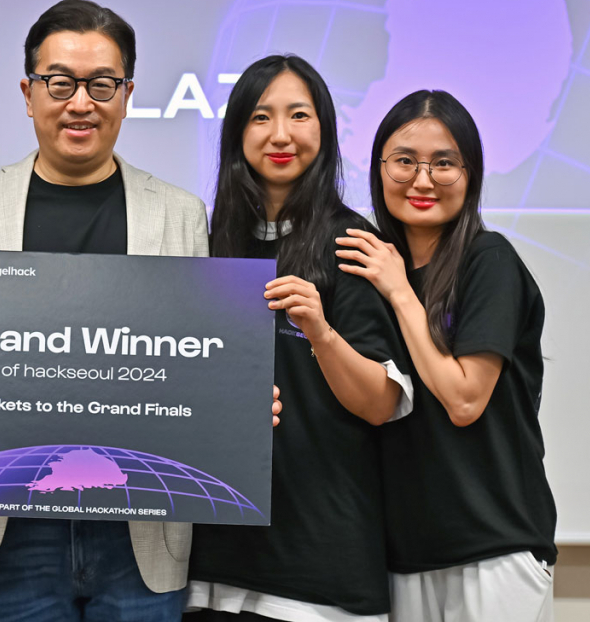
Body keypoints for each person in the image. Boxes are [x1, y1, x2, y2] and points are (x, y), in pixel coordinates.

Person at [0, 0, 279, 622]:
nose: (80, 102)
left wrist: (239, 397)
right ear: (29, 91)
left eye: (102, 84)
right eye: (60, 82)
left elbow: (195, 355)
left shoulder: (179, 215)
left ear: (126, 94)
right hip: (10, 526)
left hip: (140, 526)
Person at [187, 54, 413, 622]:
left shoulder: (352, 243)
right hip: (213, 559)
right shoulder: (208, 241)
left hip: (320, 561)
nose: (281, 134)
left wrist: (320, 330)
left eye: (299, 115)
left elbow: (382, 403)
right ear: (238, 131)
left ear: (325, 129)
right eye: (261, 117)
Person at [335, 89, 557, 622]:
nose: (422, 179)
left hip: (494, 543)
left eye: (444, 163)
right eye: (404, 161)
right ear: (378, 168)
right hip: (404, 552)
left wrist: (401, 294)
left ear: (471, 173)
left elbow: (464, 399)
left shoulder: (489, 260)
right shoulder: (370, 269)